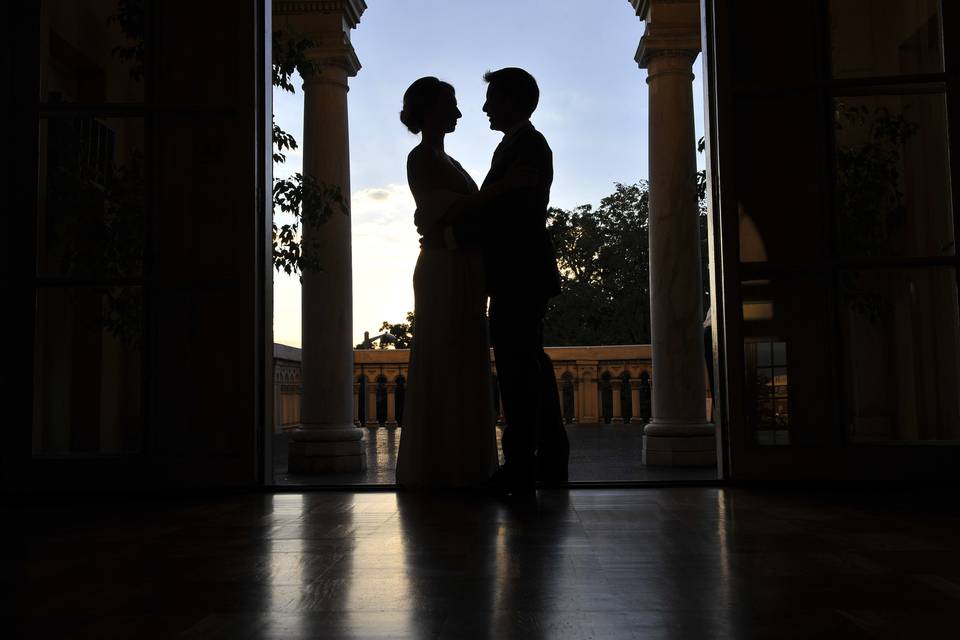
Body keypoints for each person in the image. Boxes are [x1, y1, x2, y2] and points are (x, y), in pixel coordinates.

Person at [448, 67, 569, 498]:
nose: (484, 107)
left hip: (518, 272)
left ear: (513, 101)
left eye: (492, 98)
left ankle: (522, 466)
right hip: (520, 272)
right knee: (528, 364)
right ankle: (546, 461)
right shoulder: (518, 146)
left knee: (520, 371)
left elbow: (508, 215)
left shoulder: (529, 146)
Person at [394, 77, 499, 489]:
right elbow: (451, 213)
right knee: (445, 355)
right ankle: (445, 465)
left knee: (461, 356)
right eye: (451, 105)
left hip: (459, 266)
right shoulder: (421, 158)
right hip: (443, 267)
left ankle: (460, 463)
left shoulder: (444, 161)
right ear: (430, 111)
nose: (458, 113)